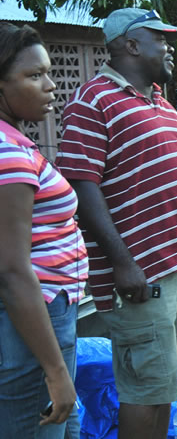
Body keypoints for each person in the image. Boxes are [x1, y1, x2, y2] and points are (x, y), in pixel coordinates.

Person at [55, 9, 177, 439]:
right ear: (130, 45)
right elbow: (82, 186)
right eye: (159, 39)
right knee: (144, 390)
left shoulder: (162, 104)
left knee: (165, 386)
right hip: (141, 275)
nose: (168, 48)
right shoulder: (93, 100)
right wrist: (123, 263)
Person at [0, 23, 89, 438]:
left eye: (48, 73)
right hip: (34, 325)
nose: (51, 86)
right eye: (34, 76)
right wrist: (54, 370)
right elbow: (12, 270)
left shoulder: (14, 142)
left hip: (45, 315)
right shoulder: (8, 153)